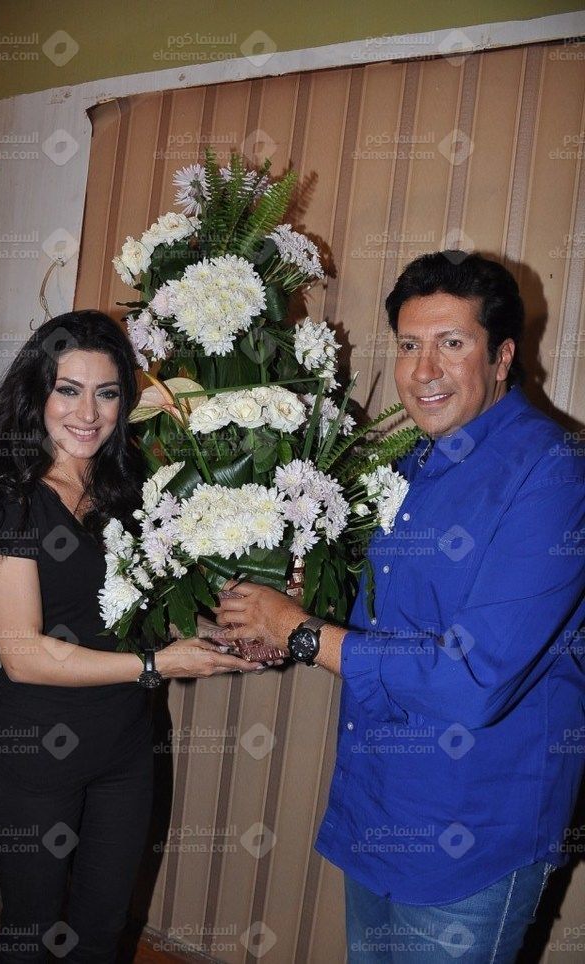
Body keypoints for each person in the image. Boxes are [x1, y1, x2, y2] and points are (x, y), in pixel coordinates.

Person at [214, 252, 585, 962]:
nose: (424, 370)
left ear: (503, 356)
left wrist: (301, 632)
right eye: (410, 345)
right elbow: (388, 622)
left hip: (475, 827)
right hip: (381, 803)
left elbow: (473, 678)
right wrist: (287, 619)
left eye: (453, 342)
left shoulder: (553, 474)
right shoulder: (409, 466)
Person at [0, 310, 264, 963]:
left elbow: (147, 604)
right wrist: (156, 665)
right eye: (68, 389)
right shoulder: (11, 498)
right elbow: (25, 655)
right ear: (36, 393)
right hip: (36, 756)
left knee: (101, 931)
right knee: (33, 933)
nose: (88, 412)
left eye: (107, 392)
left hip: (124, 749)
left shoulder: (128, 488)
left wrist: (234, 631)